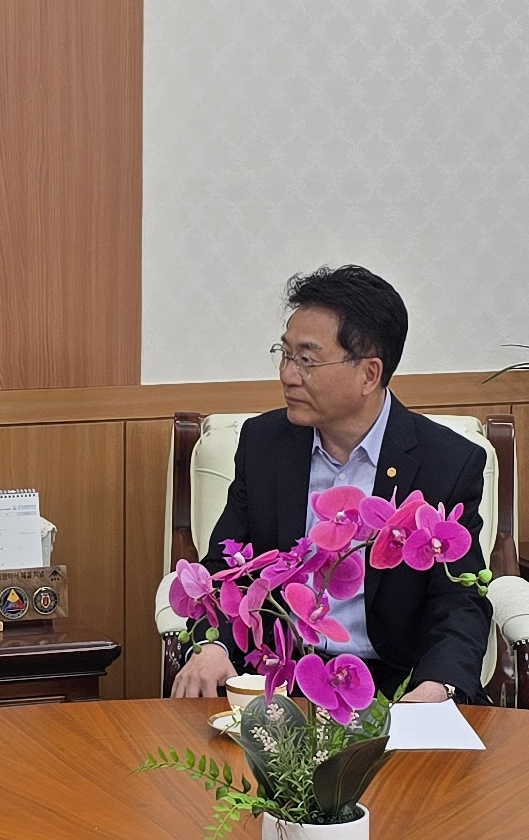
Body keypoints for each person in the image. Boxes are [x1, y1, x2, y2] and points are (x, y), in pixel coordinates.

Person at [168, 265, 492, 704]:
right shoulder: (264, 444)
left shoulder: (446, 462)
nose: (287, 375)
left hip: (395, 687)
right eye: (285, 354)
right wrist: (214, 646)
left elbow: (459, 600)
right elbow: (227, 569)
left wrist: (437, 686)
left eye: (307, 360)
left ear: (369, 374)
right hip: (277, 681)